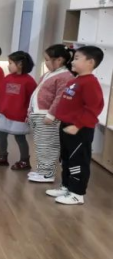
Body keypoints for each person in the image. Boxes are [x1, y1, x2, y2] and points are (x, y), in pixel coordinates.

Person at [46, 46, 105, 205]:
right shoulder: (75, 81)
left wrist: (78, 125)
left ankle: (77, 193)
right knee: (66, 159)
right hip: (66, 126)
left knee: (78, 160)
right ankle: (66, 186)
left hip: (79, 130)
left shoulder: (91, 83)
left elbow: (94, 108)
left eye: (77, 58)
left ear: (90, 62)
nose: (73, 61)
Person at [27, 44, 75, 183]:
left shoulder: (65, 76)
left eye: (48, 60)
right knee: (41, 145)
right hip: (39, 114)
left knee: (47, 145)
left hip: (47, 116)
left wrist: (51, 115)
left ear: (59, 60)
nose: (46, 63)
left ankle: (47, 173)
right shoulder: (49, 74)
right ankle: (42, 170)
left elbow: (60, 98)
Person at [0, 51, 37, 168]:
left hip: (20, 115)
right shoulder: (7, 78)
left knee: (20, 137)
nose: (8, 65)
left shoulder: (29, 81)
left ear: (20, 64)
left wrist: (30, 115)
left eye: (10, 63)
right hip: (5, 113)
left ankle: (25, 161)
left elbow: (33, 100)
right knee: (1, 135)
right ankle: (2, 157)